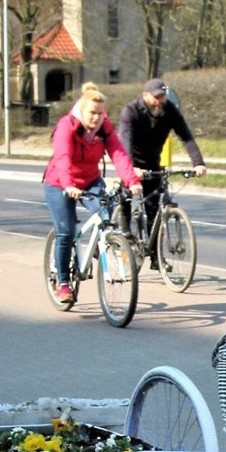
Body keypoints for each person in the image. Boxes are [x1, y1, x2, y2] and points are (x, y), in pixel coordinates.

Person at [42, 83, 142, 304]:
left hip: (89, 180)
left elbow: (118, 154)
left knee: (106, 217)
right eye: (92, 113)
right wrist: (69, 186)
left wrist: (132, 181)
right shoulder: (66, 126)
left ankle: (103, 245)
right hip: (59, 182)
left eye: (100, 113)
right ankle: (64, 282)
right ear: (81, 109)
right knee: (66, 233)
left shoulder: (104, 128)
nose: (97, 118)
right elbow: (62, 158)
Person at [118, 79, 206, 268]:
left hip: (153, 162)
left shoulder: (169, 111)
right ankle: (125, 233)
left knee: (153, 208)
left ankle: (156, 256)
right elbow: (125, 141)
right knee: (126, 196)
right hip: (131, 162)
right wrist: (131, 168)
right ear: (145, 96)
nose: (160, 100)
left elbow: (186, 136)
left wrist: (198, 163)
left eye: (163, 96)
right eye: (157, 97)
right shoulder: (130, 111)